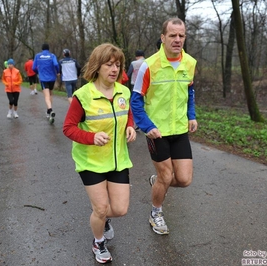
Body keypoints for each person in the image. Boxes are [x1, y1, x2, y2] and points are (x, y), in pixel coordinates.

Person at [63, 43, 136, 264]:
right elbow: (68, 128)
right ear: (97, 66)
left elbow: (127, 113)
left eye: (118, 65)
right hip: (91, 161)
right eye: (109, 64)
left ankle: (100, 216)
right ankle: (98, 241)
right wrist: (92, 137)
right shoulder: (83, 96)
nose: (114, 69)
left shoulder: (124, 91)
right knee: (102, 208)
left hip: (118, 160)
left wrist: (130, 126)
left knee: (120, 210)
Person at [130, 18, 198, 235]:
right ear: (163, 38)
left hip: (179, 130)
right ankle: (155, 214)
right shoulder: (148, 66)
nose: (178, 40)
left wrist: (191, 115)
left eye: (181, 36)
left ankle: (158, 180)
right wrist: (146, 126)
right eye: (172, 35)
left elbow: (190, 91)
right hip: (156, 132)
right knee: (167, 176)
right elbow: (136, 100)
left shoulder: (190, 63)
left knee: (184, 180)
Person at [32, 43, 60, 124]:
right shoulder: (52, 55)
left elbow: (33, 68)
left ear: (42, 49)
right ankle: (49, 111)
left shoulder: (38, 56)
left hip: (43, 78)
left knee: (46, 96)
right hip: (52, 78)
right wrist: (57, 71)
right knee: (51, 94)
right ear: (48, 49)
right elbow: (55, 64)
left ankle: (50, 110)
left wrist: (38, 72)